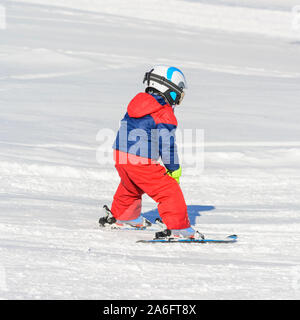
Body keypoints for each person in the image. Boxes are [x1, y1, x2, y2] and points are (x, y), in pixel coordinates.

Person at [100, 65, 198, 239]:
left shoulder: (138, 103)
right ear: (168, 89)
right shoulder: (163, 111)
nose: (177, 100)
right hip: (139, 158)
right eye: (178, 94)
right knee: (169, 189)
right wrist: (173, 167)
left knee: (131, 185)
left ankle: (125, 216)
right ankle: (179, 228)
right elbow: (167, 143)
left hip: (119, 154)